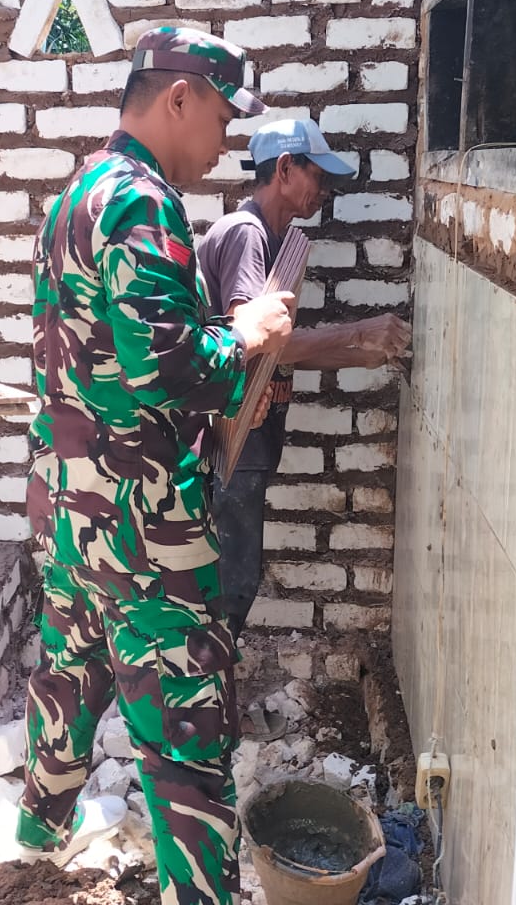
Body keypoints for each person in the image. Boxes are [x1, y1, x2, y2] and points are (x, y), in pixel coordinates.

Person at [15, 28, 293, 905]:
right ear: (178, 98)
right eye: (222, 118)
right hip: (142, 525)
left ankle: (32, 848)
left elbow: (91, 354)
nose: (225, 143)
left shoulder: (77, 193)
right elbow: (170, 369)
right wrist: (244, 335)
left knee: (72, 674)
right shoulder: (142, 202)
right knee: (186, 737)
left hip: (71, 510)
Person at [196, 117, 411, 699]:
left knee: (232, 576)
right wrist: (359, 332)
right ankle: (202, 708)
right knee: (233, 580)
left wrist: (364, 351)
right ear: (286, 169)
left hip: (247, 437)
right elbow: (255, 343)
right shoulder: (247, 235)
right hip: (233, 438)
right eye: (319, 175)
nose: (325, 190)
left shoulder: (274, 240)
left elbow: (284, 349)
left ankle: (206, 699)